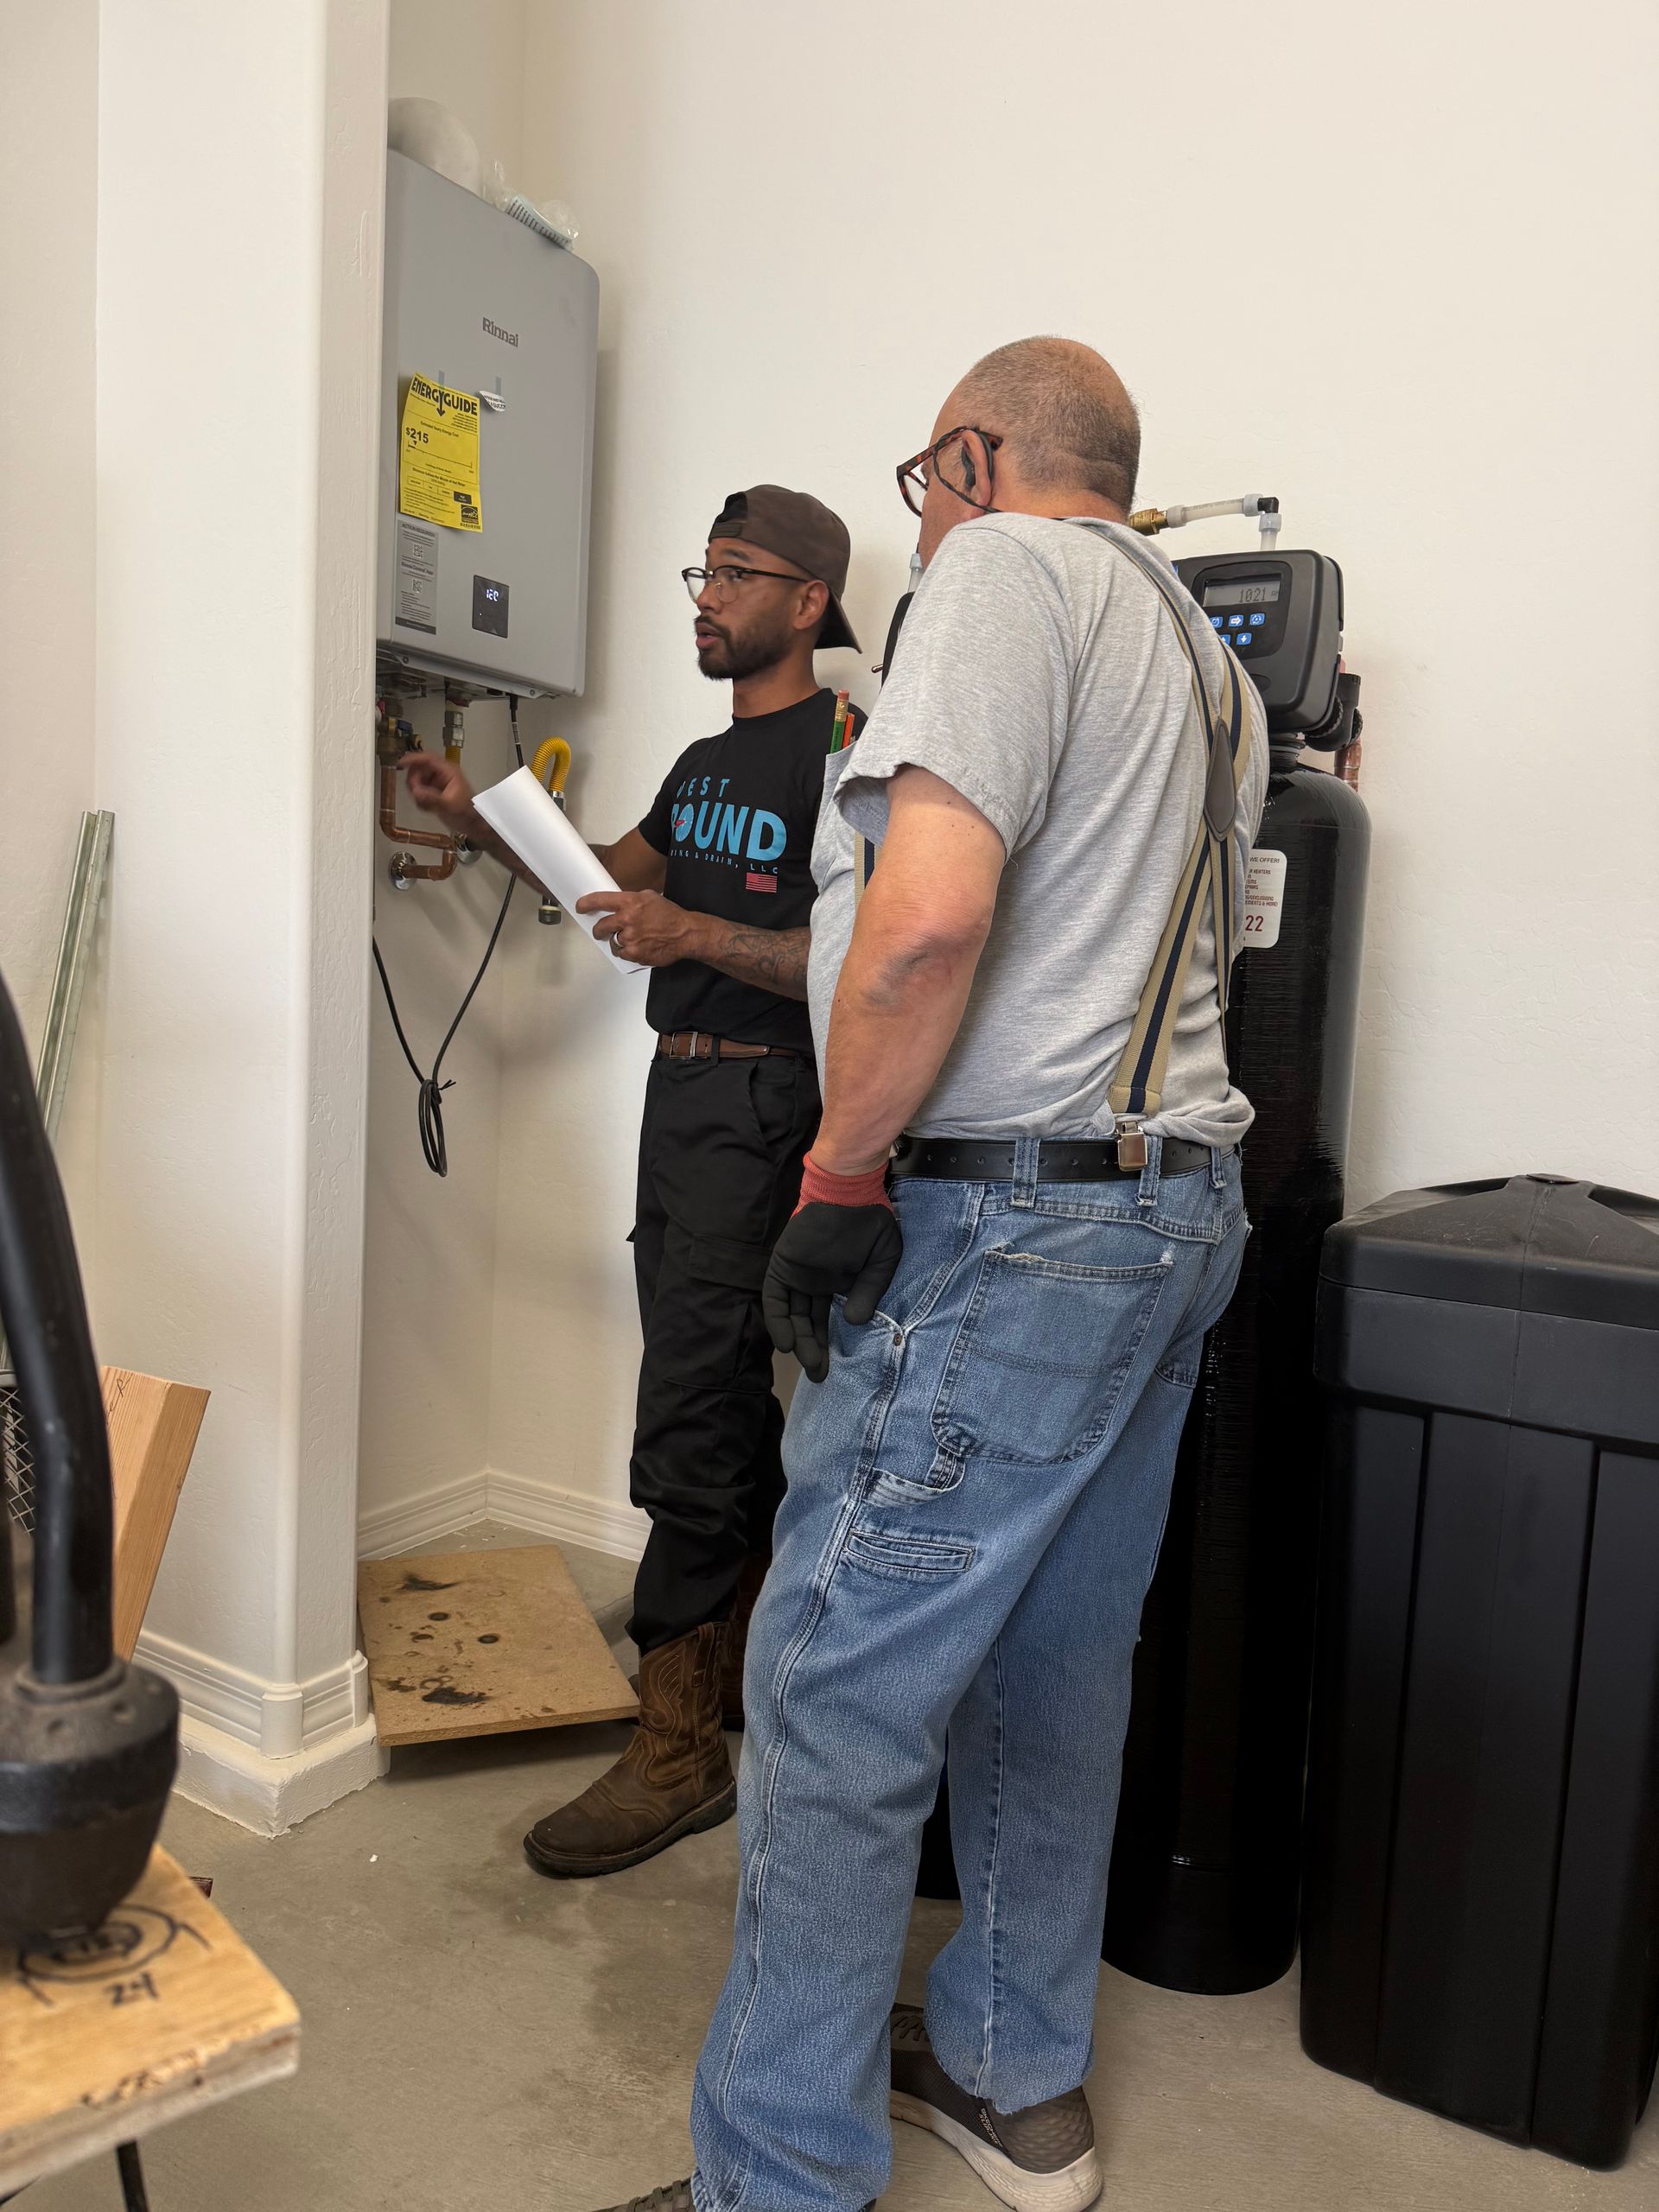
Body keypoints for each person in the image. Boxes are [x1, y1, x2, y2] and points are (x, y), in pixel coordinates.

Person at [598, 338, 1268, 2212]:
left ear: (975, 455)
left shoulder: (1001, 574)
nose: (923, 510)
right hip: (1176, 1211)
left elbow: (931, 916)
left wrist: (838, 1166)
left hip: (1015, 1222)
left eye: (926, 474)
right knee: (1056, 1669)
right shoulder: (1209, 666)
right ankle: (1012, 2077)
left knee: (828, 1680)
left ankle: (781, 2172)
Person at [404, 485, 862, 1878]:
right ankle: (719, 1679)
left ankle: (676, 1751)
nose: (707, 597)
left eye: (738, 575)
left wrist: (692, 932)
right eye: (703, 572)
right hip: (685, 1095)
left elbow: (848, 965)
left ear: (809, 601)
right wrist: (480, 821)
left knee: (692, 1405)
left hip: (771, 1099)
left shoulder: (844, 752)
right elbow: (610, 879)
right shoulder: (704, 759)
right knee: (710, 1383)